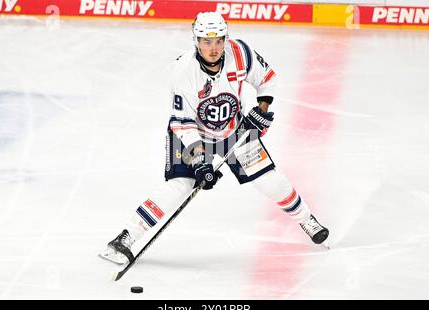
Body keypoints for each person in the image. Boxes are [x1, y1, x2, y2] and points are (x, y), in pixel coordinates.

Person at [100, 12, 329, 265]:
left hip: (235, 131)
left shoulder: (240, 53)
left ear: (225, 39)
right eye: (206, 42)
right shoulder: (183, 71)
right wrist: (200, 162)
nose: (213, 48)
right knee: (180, 186)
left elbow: (267, 79)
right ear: (196, 41)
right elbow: (182, 123)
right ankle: (126, 237)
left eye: (218, 41)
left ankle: (307, 219)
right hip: (190, 134)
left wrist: (260, 111)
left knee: (269, 181)